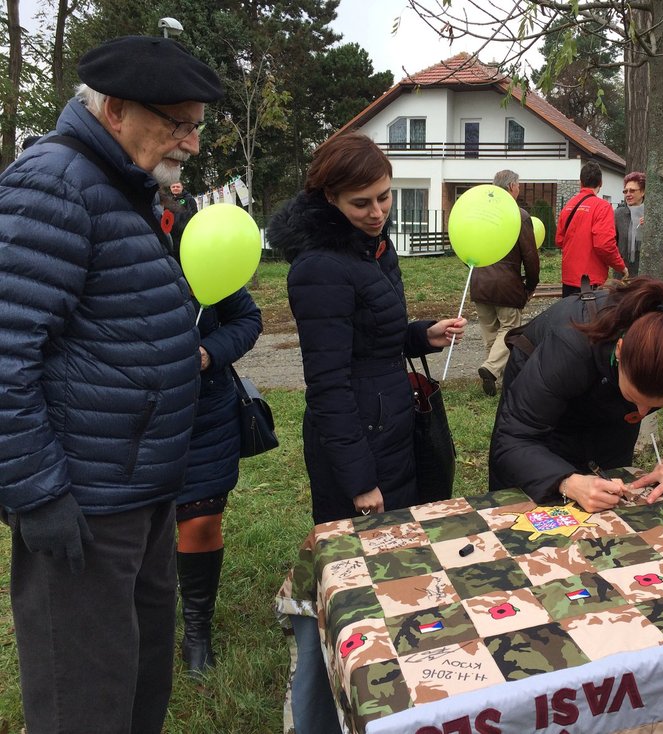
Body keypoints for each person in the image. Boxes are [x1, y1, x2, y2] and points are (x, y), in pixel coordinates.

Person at [0, 35, 222, 732]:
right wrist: (39, 494)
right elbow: (6, 352)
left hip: (139, 493)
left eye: (195, 124)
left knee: (136, 682)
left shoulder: (116, 183)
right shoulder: (55, 183)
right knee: (84, 703)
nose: (189, 142)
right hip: (84, 506)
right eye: (177, 123)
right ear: (117, 110)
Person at [269, 132, 466, 524]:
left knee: (403, 543)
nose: (377, 212)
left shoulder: (373, 245)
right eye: (361, 203)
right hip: (357, 435)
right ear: (330, 198)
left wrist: (423, 335)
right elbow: (328, 384)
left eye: (384, 197)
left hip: (391, 419)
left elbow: (371, 336)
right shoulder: (319, 268)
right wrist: (359, 480)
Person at [489, 278, 663, 512]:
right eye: (635, 399)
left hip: (606, 403)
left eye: (654, 405)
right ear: (620, 351)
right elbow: (514, 438)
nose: (641, 413)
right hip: (544, 383)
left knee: (609, 487)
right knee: (533, 498)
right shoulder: (570, 344)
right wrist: (567, 482)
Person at [174, 286, 262, 676]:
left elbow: (247, 319)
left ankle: (197, 630)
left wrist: (210, 352)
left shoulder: (196, 248)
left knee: (200, 521)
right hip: (123, 414)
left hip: (204, 415)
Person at [471, 169, 540, 397]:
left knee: (491, 332)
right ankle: (491, 369)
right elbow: (530, 255)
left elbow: (468, 246)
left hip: (480, 282)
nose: (519, 189)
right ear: (511, 187)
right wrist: (531, 285)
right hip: (506, 285)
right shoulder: (518, 215)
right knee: (509, 329)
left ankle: (493, 377)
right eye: (518, 185)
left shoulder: (479, 213)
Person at [556, 160, 627, 297]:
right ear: (600, 183)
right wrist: (621, 267)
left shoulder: (568, 206)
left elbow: (559, 240)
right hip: (591, 280)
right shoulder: (603, 207)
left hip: (569, 278)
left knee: (570, 317)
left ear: (580, 182)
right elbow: (604, 244)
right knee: (589, 318)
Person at [615, 170, 646, 276]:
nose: (628, 194)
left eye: (632, 191)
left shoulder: (651, 215)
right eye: (625, 191)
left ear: (643, 192)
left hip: (645, 272)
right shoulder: (618, 214)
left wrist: (649, 228)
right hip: (623, 273)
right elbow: (612, 243)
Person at [160, 178, 199, 248]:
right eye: (173, 187)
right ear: (170, 188)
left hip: (186, 233)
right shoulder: (168, 201)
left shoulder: (189, 199)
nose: (175, 188)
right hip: (172, 235)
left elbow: (194, 215)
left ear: (182, 187)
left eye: (178, 187)